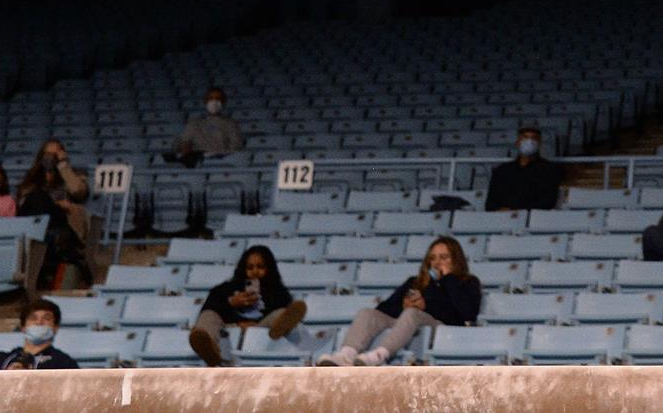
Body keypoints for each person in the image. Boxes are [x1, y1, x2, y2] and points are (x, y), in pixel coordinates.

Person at [315, 236, 480, 366]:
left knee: (413, 313)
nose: (437, 263)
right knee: (367, 313)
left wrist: (445, 283)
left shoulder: (467, 282)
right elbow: (384, 309)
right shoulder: (415, 282)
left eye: (444, 257)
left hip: (443, 329)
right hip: (410, 321)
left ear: (455, 259)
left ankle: (380, 355)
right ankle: (346, 354)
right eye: (433, 258)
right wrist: (403, 307)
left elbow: (466, 314)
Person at [190, 244, 309, 367]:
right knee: (208, 315)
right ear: (243, 268)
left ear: (269, 268)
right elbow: (208, 308)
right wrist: (230, 303)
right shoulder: (226, 289)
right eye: (250, 267)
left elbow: (283, 308)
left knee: (281, 313)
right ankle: (210, 351)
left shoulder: (278, 291)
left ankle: (280, 330)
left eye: (260, 267)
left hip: (261, 328)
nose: (255, 272)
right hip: (230, 327)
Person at [18, 139, 91, 289]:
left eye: (55, 154)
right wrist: (55, 203)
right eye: (47, 154)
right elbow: (22, 203)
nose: (50, 157)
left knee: (39, 198)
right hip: (35, 224)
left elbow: (78, 192)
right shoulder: (31, 180)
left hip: (63, 224)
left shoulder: (74, 175)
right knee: (37, 197)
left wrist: (63, 165)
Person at [0, 299, 78, 370]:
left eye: (46, 318)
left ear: (55, 328)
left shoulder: (64, 363)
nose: (39, 322)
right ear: (23, 327)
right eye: (33, 318)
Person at [484, 126, 564, 212]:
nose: (529, 142)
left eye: (534, 138)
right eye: (525, 138)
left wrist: (516, 210)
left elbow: (548, 201)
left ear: (540, 143)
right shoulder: (502, 170)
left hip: (534, 218)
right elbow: (490, 203)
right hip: (502, 218)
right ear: (518, 142)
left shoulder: (550, 170)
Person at [169, 88, 245, 166]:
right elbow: (184, 143)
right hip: (198, 163)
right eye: (211, 99)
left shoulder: (231, 124)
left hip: (222, 163)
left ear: (223, 102)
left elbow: (236, 147)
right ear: (205, 101)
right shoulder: (194, 123)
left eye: (218, 99)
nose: (214, 102)